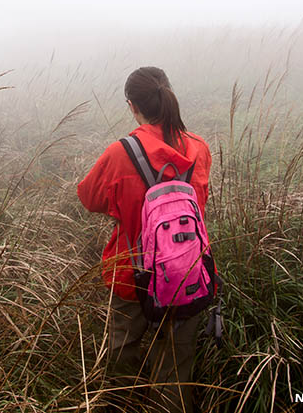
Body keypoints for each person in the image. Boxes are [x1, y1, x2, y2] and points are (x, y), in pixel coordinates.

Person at [77, 66, 212, 413]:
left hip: (131, 274)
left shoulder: (119, 153)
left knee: (123, 350)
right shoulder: (199, 149)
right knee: (177, 365)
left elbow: (89, 198)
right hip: (188, 271)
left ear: (132, 106)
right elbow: (199, 202)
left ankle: (120, 404)